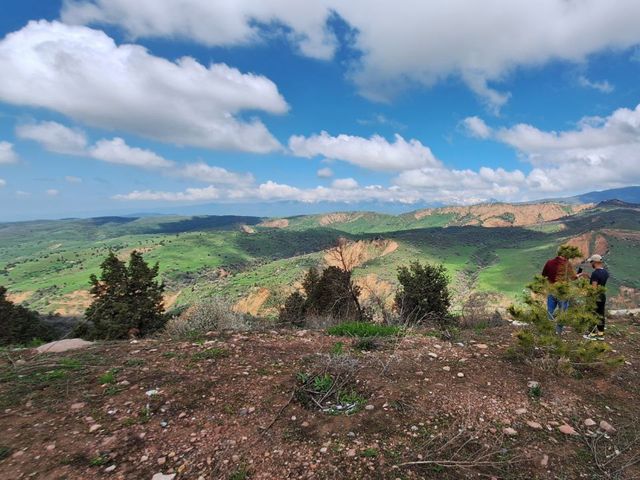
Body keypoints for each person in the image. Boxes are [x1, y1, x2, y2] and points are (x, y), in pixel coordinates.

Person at [541, 247, 577, 334]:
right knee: (562, 312)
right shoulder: (567, 264)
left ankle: (548, 330)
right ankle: (558, 332)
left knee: (550, 311)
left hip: (551, 290)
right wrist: (580, 274)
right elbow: (573, 278)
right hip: (563, 292)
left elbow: (543, 275)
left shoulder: (549, 262)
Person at [582, 254, 609, 341]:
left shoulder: (595, 273)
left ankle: (592, 334)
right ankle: (600, 334)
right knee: (600, 314)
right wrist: (590, 278)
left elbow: (593, 288)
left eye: (591, 262)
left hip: (594, 298)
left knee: (592, 314)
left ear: (595, 262)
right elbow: (599, 282)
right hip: (602, 296)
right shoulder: (605, 272)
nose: (590, 264)